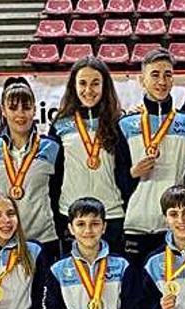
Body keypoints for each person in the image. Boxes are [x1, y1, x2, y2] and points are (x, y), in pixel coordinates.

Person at [118, 48, 185, 267]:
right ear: (141, 80)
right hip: (135, 225)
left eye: (167, 75)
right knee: (137, 296)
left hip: (174, 225)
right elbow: (115, 178)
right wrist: (134, 173)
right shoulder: (126, 124)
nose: (162, 81)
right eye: (155, 75)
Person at [49, 57, 135, 254]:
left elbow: (124, 169)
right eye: (83, 83)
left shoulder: (117, 122)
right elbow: (55, 174)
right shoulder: (61, 123)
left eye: (95, 83)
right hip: (71, 215)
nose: (89, 90)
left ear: (105, 86)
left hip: (111, 215)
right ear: (73, 86)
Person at [0, 77, 62, 261]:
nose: (20, 114)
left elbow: (58, 192)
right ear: (3, 111)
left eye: (26, 107)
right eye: (13, 108)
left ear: (34, 110)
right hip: (4, 239)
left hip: (45, 239)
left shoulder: (51, 147)